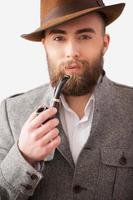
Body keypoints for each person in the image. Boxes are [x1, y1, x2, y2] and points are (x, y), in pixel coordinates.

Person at [1, 0, 133, 199]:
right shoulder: (10, 113)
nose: (72, 52)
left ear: (104, 43)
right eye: (58, 38)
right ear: (44, 44)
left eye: (85, 36)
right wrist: (23, 157)